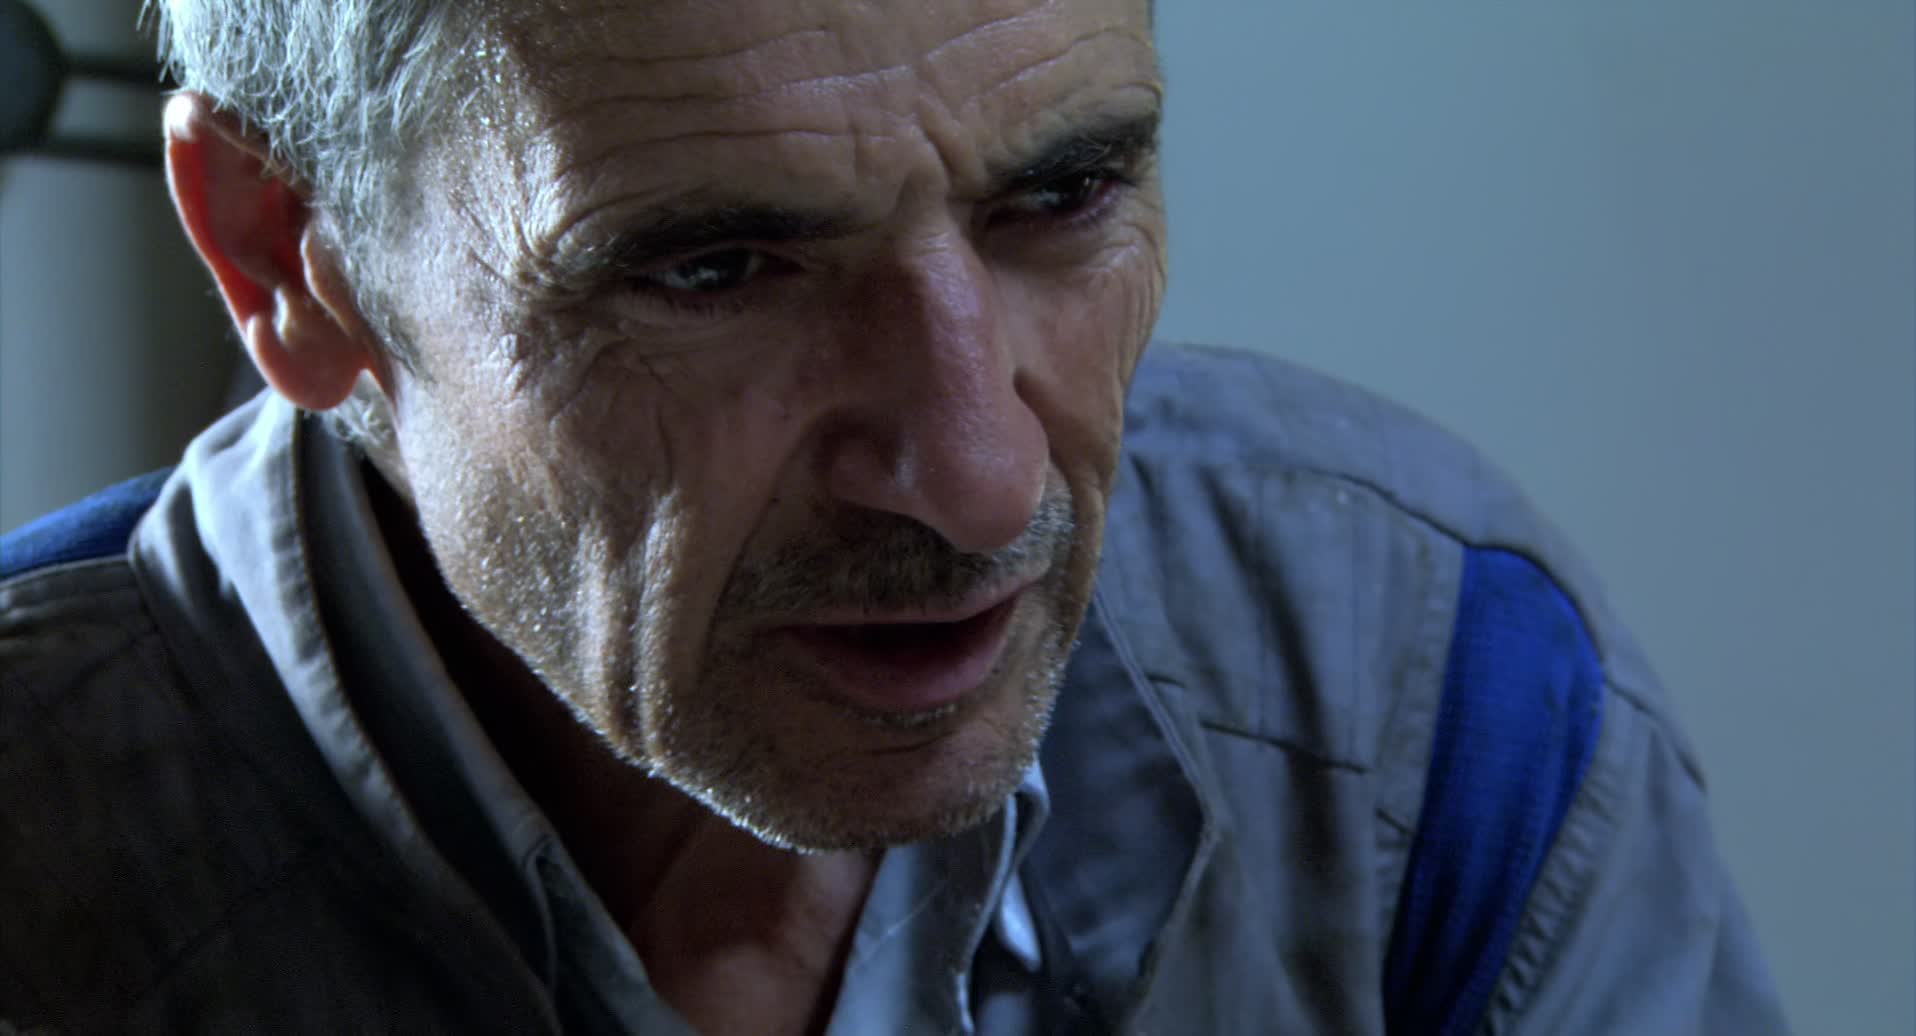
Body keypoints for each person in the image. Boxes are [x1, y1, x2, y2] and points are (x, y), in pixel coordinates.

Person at [0, 1, 1790, 1033]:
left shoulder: (1415, 688)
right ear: (286, 257)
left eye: (1065, 195)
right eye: (717, 270)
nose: (986, 479)